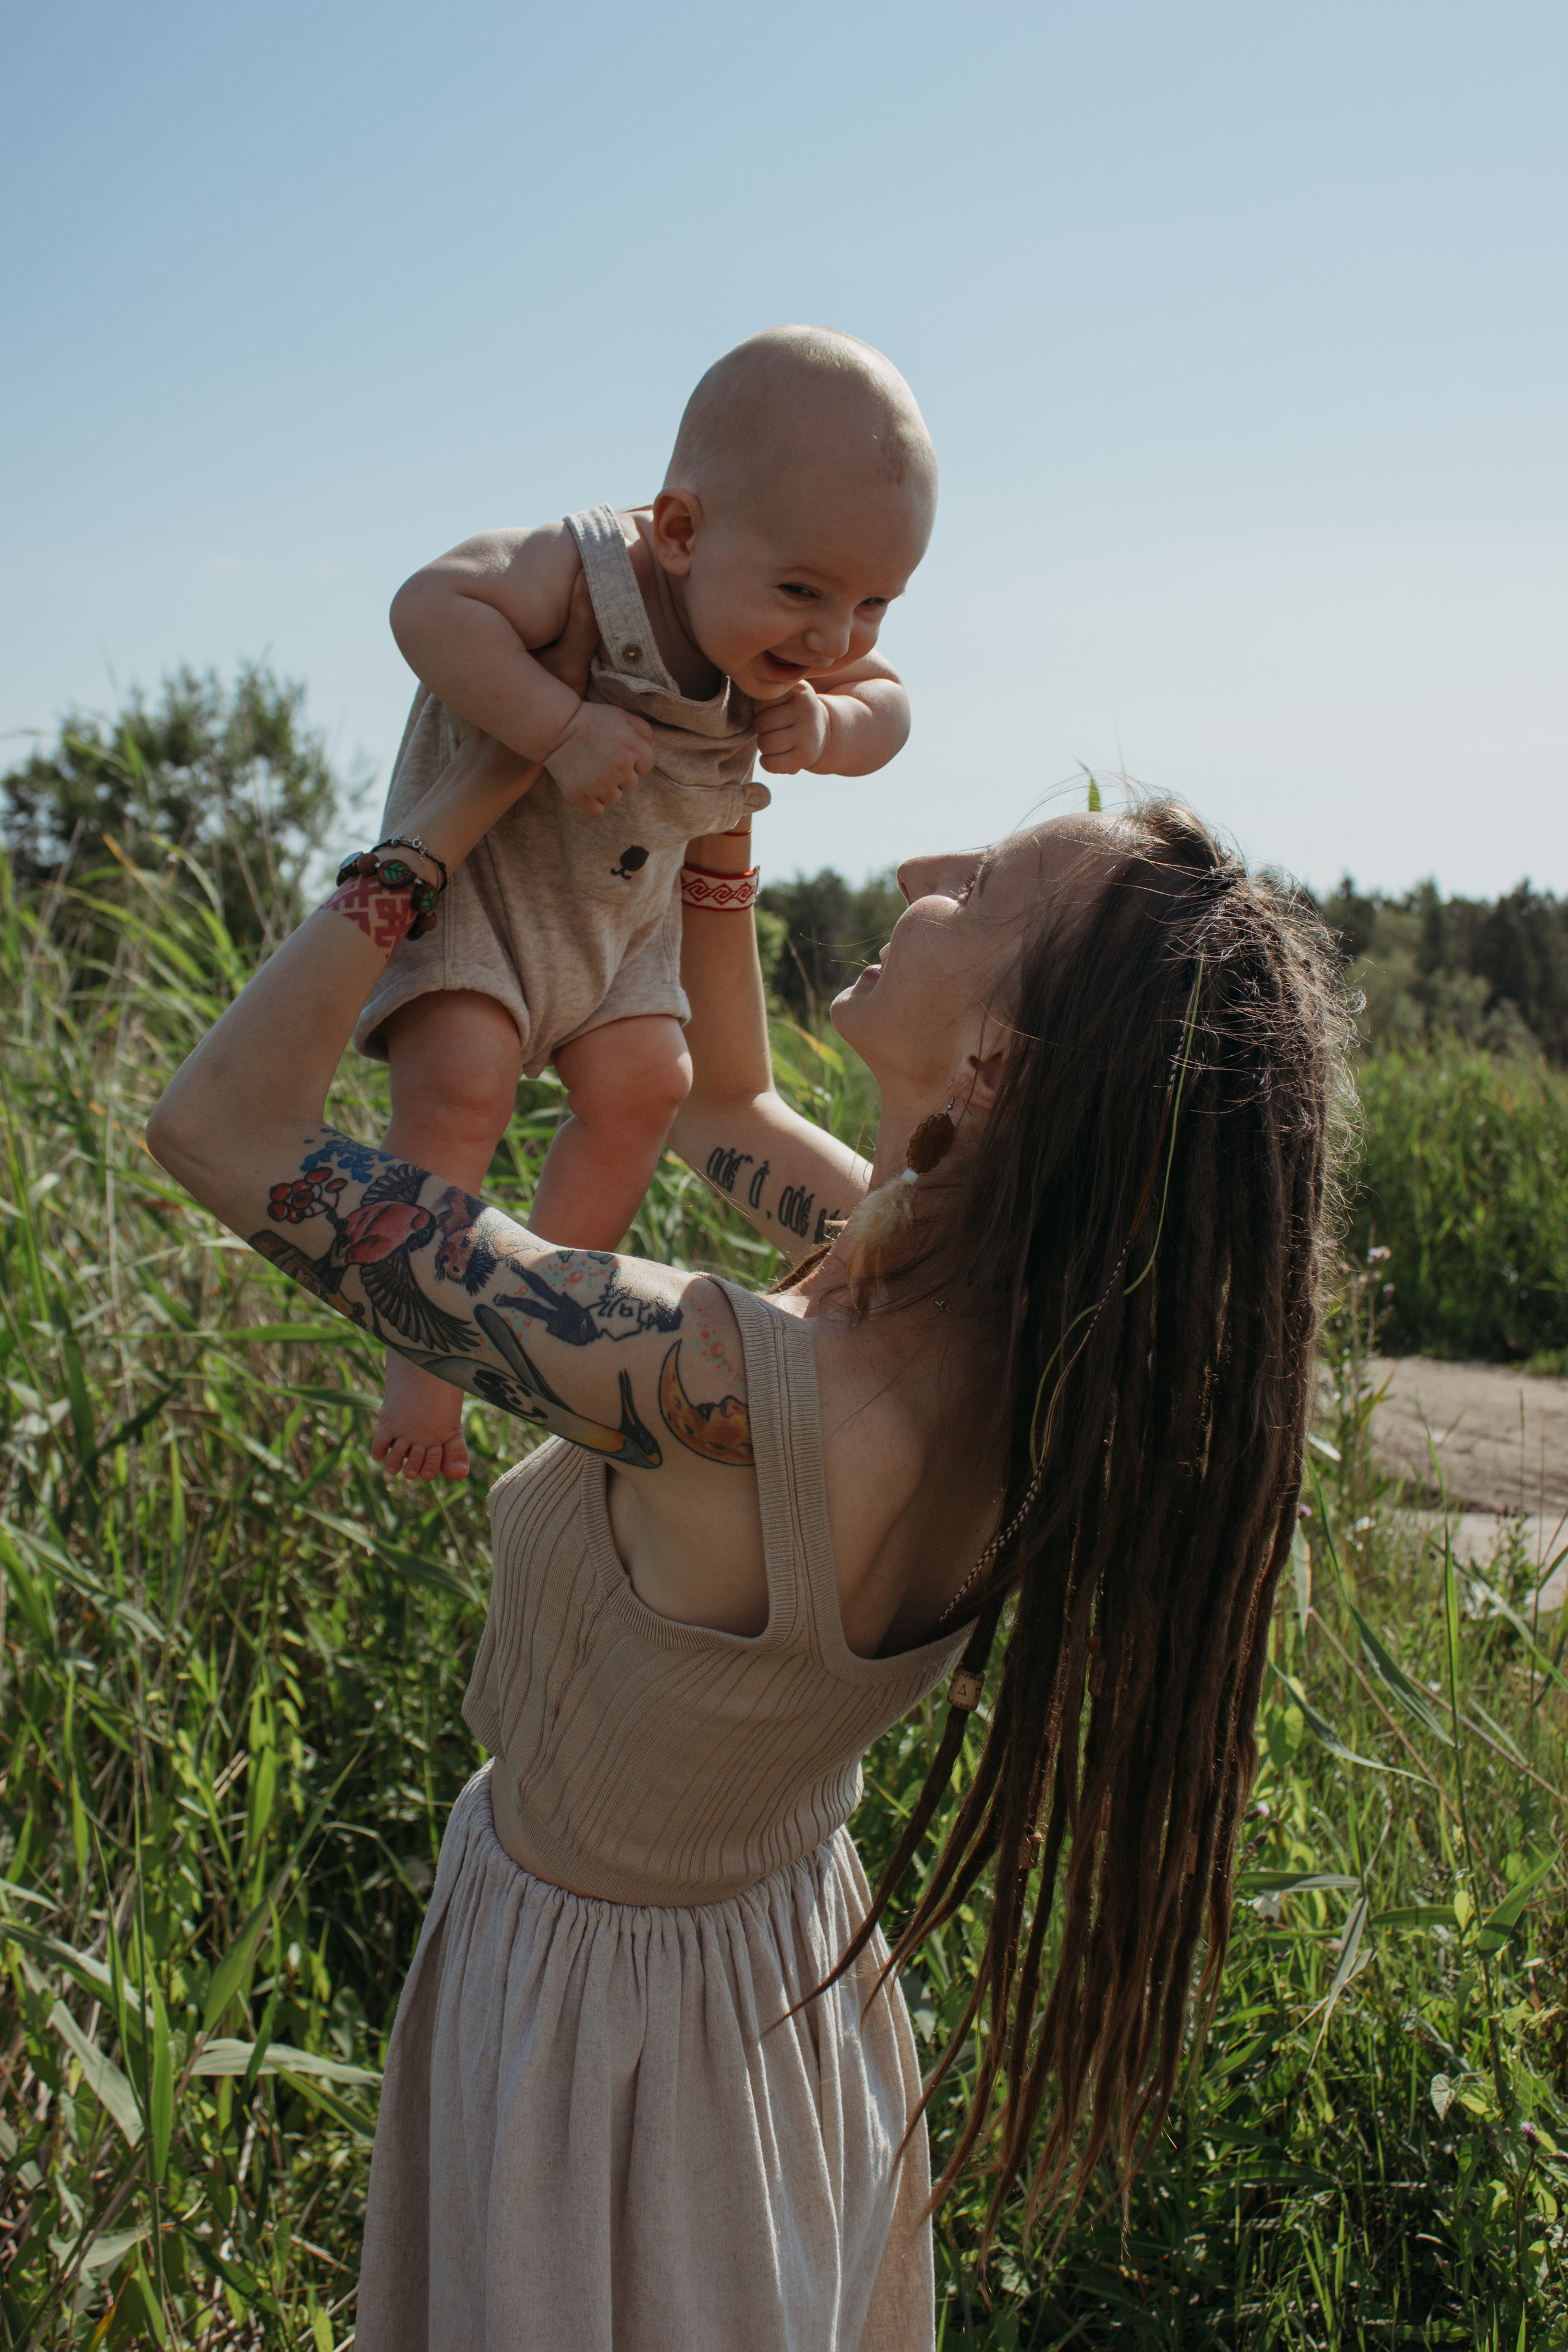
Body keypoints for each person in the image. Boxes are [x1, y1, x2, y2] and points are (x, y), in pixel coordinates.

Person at [146, 721, 1350, 2350]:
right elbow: (722, 1109)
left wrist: (441, 825)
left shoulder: (733, 1386)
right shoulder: (1005, 1326)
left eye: (981, 886)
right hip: (766, 1994)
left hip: (612, 2053)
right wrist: (711, 841)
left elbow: (220, 1128)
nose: (922, 871)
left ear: (995, 1068)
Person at [358, 324, 938, 1482]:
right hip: (488, 890)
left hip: (622, 928)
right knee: (461, 1086)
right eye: (806, 594)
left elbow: (894, 706)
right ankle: (424, 1365)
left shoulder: (785, 641)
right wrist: (557, 726)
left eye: (875, 602)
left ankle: (524, 1327)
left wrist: (831, 726)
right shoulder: (579, 570)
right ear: (679, 531)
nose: (835, 638)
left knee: (648, 1089)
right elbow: (428, 608)